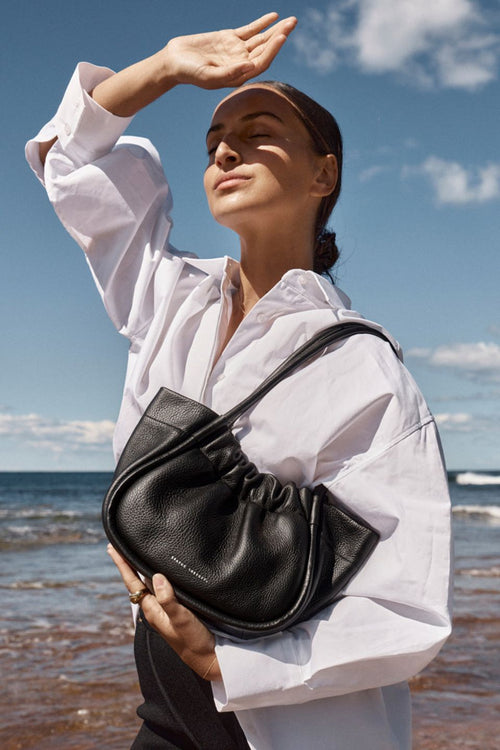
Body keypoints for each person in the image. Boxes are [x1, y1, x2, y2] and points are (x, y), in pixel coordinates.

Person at [26, 13, 452, 750]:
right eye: (215, 140)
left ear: (324, 173)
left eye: (258, 130)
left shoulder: (361, 366)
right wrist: (165, 66)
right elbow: (70, 162)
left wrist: (227, 659)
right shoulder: (170, 297)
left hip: (286, 731)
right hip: (163, 719)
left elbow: (407, 603)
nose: (226, 147)